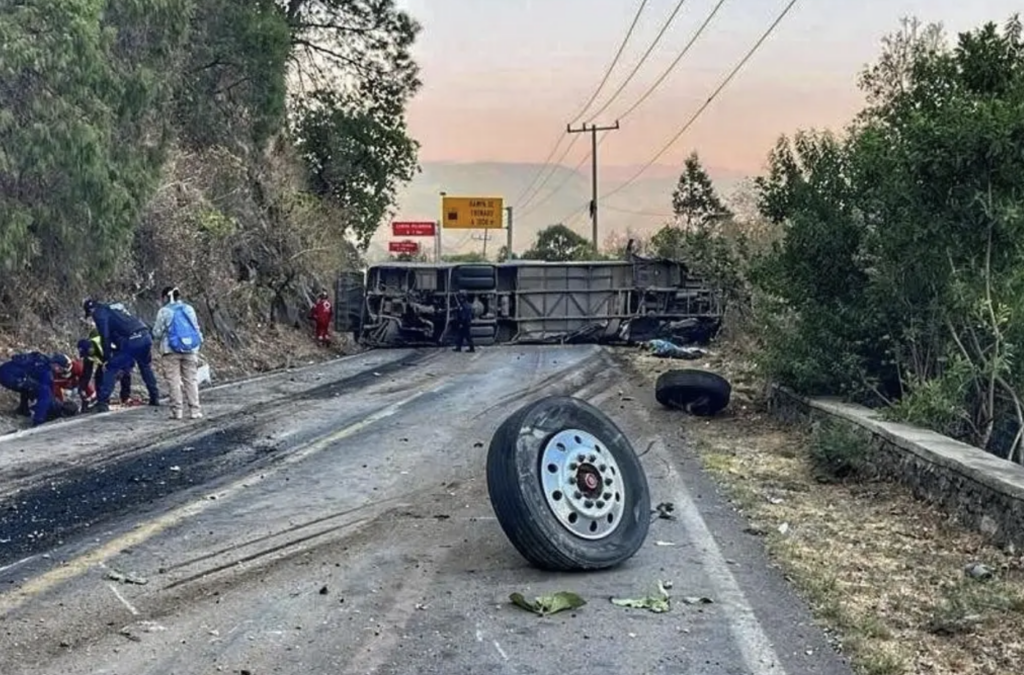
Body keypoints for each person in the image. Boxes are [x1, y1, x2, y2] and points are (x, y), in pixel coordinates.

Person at [83, 298, 160, 413]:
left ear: (91, 310)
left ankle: (102, 403)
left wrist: (106, 359)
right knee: (145, 366)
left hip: (133, 340)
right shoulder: (114, 308)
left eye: (90, 315)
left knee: (110, 367)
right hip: (145, 336)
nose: (92, 319)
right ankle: (155, 397)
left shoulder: (100, 313)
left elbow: (105, 337)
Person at [151, 286, 204, 420]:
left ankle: (177, 411)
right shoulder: (189, 309)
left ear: (165, 297)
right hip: (190, 349)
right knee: (191, 380)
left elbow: (157, 333)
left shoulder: (164, 311)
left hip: (170, 351)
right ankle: (195, 410)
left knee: (173, 381)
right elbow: (196, 328)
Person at [0, 351, 68, 426]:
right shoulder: (46, 371)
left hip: (4, 371)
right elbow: (45, 391)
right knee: (44, 391)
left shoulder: (42, 360)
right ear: (56, 365)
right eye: (61, 369)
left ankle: (23, 409)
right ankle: (39, 420)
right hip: (12, 377)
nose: (60, 372)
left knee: (30, 386)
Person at [76, 331, 131, 409]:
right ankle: (101, 401)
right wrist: (82, 388)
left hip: (121, 354)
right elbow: (86, 373)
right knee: (99, 377)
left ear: (91, 348)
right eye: (86, 355)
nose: (88, 356)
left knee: (124, 374)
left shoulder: (105, 343)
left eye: (88, 353)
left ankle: (125, 397)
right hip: (105, 360)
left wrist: (122, 370)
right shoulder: (88, 354)